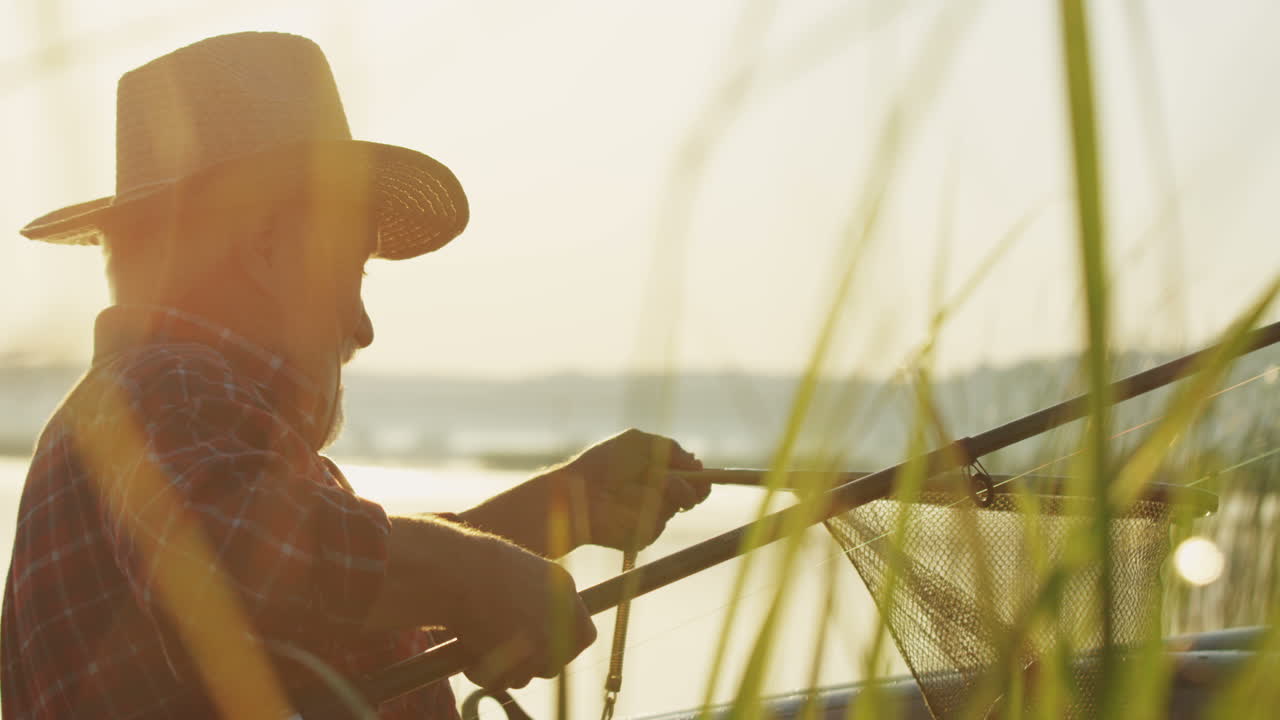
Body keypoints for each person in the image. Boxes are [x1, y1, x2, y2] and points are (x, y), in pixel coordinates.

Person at [2, 32, 710, 720]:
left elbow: (331, 580)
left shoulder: (163, 416)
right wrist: (473, 573)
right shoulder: (163, 385)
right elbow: (240, 558)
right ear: (269, 247)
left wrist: (565, 506)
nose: (363, 326)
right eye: (352, 273)